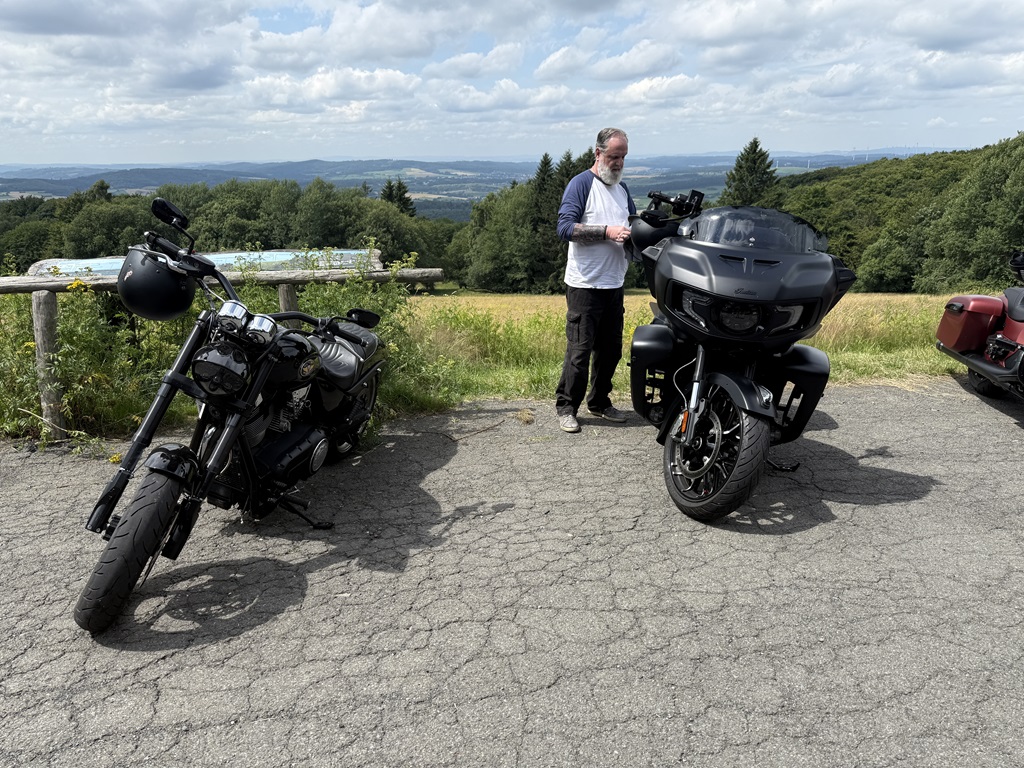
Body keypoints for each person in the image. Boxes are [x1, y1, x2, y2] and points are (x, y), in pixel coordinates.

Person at [554, 127, 637, 434]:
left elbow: (632, 227)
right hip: (584, 285)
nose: (619, 163)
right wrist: (606, 232)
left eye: (623, 157)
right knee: (579, 351)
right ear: (598, 153)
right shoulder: (581, 184)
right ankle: (566, 407)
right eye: (614, 156)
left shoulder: (622, 189)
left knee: (611, 350)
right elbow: (565, 228)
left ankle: (599, 402)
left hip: (614, 283)